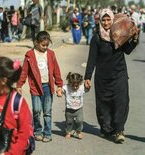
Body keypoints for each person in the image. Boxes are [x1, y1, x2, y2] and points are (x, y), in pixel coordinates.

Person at [84, 8, 139, 143]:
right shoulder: (96, 38)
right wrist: (87, 77)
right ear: (100, 21)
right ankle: (107, 129)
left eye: (109, 20)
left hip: (119, 74)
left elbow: (128, 51)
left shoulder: (119, 34)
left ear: (113, 20)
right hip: (102, 77)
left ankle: (119, 130)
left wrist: (135, 39)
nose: (106, 22)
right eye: (104, 20)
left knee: (121, 102)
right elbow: (92, 59)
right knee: (104, 105)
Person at [16, 31, 63, 142]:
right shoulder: (30, 55)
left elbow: (56, 70)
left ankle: (47, 133)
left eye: (47, 45)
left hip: (48, 86)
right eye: (43, 45)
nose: (45, 47)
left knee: (47, 111)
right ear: (36, 42)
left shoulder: (50, 54)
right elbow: (24, 71)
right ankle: (37, 131)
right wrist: (19, 85)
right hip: (35, 87)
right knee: (37, 110)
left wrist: (59, 84)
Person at [58, 72, 88, 139]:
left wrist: (88, 85)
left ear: (79, 84)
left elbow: (87, 89)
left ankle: (78, 132)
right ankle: (68, 132)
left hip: (79, 108)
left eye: (76, 86)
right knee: (69, 122)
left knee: (79, 121)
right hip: (69, 109)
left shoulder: (82, 87)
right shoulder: (66, 87)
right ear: (70, 83)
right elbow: (61, 90)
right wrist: (59, 92)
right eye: (73, 86)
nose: (75, 87)